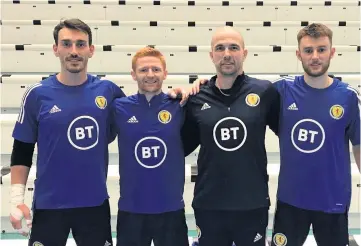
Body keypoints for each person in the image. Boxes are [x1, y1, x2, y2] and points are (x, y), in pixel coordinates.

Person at [9, 18, 125, 246]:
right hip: (49, 205)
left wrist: (184, 92)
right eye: (67, 44)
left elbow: (142, 112)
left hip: (94, 204)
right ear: (55, 49)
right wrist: (15, 199)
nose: (74, 51)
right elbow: (21, 150)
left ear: (91, 50)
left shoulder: (108, 91)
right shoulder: (36, 94)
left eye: (81, 44)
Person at [184, 26, 281, 246]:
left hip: (252, 203)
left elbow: (288, 133)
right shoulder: (196, 97)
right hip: (209, 203)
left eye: (233, 47)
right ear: (211, 55)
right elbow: (180, 146)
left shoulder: (264, 92)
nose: (227, 54)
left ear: (244, 53)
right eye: (220, 48)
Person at [270, 23, 360, 246]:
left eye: (321, 49)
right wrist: (201, 84)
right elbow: (243, 94)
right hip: (291, 200)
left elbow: (358, 145)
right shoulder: (282, 90)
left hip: (333, 200)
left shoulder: (348, 97)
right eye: (309, 51)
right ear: (299, 54)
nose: (315, 56)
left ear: (332, 52)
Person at [110, 46, 196, 246]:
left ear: (165, 73)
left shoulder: (179, 104)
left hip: (170, 209)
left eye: (156, 69)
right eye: (143, 70)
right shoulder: (119, 107)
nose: (150, 75)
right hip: (131, 209)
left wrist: (188, 88)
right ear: (133, 75)